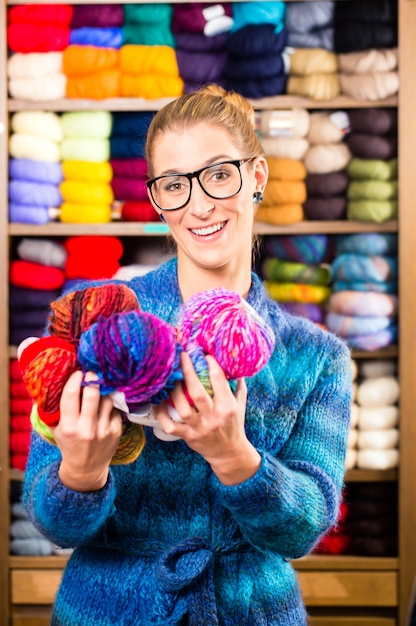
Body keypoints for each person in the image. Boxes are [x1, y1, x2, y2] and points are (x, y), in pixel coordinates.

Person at [22, 84, 352, 626]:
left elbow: (303, 530)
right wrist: (80, 473)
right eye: (174, 185)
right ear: (156, 200)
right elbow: (52, 523)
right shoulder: (99, 320)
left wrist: (235, 458)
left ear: (257, 178)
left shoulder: (316, 356)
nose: (199, 204)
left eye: (219, 174)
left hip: (251, 612)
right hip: (105, 612)